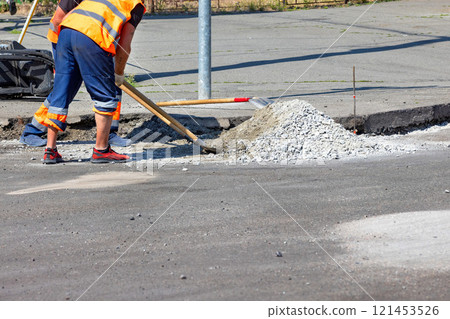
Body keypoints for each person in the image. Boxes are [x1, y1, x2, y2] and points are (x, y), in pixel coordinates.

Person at [34, 0, 145, 164]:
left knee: (61, 92)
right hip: (91, 36)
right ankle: (101, 150)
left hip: (66, 32)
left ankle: (50, 150)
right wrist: (118, 73)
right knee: (105, 96)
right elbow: (124, 45)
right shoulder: (137, 4)